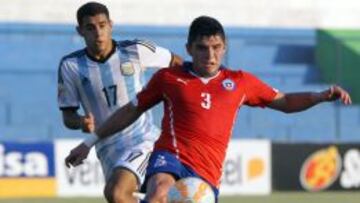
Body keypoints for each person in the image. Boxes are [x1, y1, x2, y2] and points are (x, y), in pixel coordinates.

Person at [65, 16, 352, 203]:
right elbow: (130, 111)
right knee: (158, 193)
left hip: (206, 172)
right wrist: (89, 142)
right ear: (189, 49)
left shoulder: (239, 83)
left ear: (224, 47)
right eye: (202, 48)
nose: (210, 55)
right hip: (169, 156)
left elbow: (286, 102)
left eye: (216, 47)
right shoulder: (169, 79)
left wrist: (319, 95)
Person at [57, 2, 182, 203]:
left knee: (116, 192)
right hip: (107, 150)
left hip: (142, 140)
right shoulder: (71, 66)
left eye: (102, 25)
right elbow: (68, 117)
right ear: (80, 31)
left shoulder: (136, 50)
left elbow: (178, 64)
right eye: (90, 27)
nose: (98, 32)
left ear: (111, 25)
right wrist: (81, 122)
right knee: (124, 197)